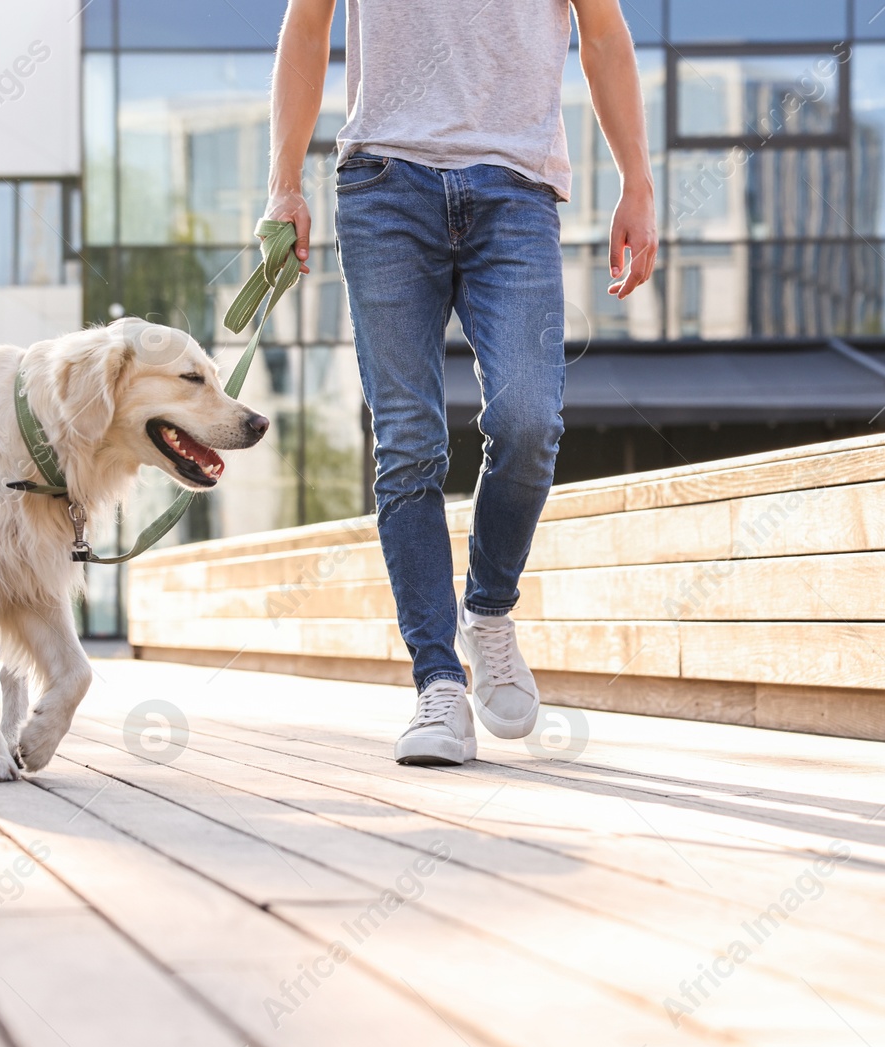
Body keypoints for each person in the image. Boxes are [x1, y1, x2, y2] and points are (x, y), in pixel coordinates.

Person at [264, 0, 658, 765]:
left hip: (515, 187)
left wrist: (636, 181)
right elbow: (306, 27)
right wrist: (285, 184)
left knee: (528, 422)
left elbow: (604, 34)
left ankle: (489, 606)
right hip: (383, 184)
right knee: (408, 442)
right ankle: (437, 684)